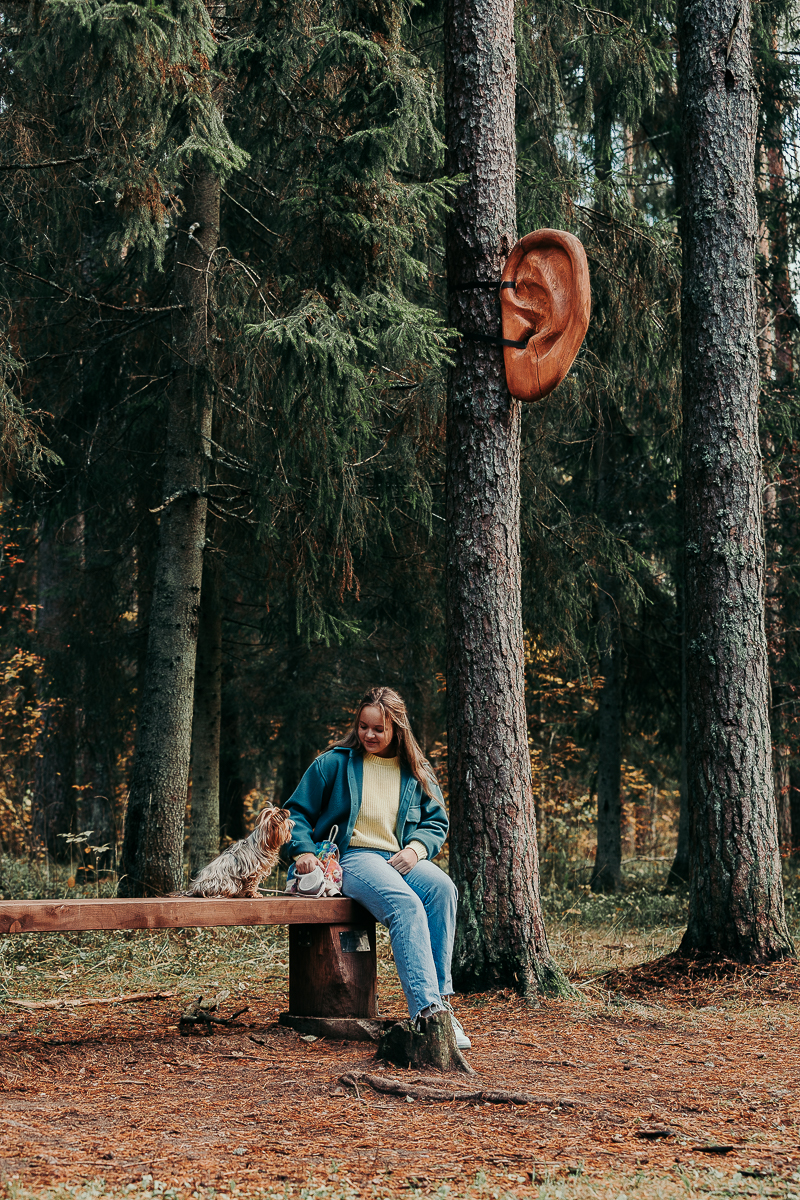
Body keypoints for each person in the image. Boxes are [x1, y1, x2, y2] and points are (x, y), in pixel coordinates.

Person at [282, 685, 470, 1050]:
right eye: (364, 726)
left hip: (399, 857)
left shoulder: (417, 770)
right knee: (406, 906)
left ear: (397, 729)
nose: (369, 734)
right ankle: (428, 1014)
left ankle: (442, 1002)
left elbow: (436, 822)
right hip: (352, 857)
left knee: (444, 889)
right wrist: (302, 851)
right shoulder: (333, 763)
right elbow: (297, 813)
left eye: (379, 729)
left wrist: (416, 850)